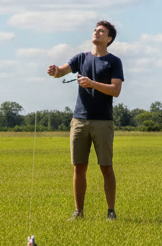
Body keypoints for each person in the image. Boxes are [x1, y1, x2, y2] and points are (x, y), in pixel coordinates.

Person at [47, 19, 123, 220]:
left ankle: (111, 211)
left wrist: (92, 84)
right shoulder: (81, 58)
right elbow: (63, 72)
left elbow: (116, 91)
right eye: (95, 30)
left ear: (109, 38)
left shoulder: (114, 62)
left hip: (103, 121)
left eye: (102, 31)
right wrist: (55, 71)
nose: (97, 33)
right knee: (79, 167)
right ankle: (78, 212)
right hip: (79, 120)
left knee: (106, 167)